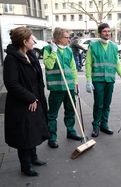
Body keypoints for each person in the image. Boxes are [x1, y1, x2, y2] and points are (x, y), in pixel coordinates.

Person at [3, 27, 49, 176]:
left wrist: (37, 97)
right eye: (31, 39)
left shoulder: (30, 54)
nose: (33, 42)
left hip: (35, 99)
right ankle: (26, 165)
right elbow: (11, 84)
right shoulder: (11, 58)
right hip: (21, 103)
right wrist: (30, 97)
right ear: (24, 41)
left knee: (33, 130)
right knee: (24, 134)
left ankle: (33, 157)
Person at [43, 27, 82, 148]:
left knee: (70, 111)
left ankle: (71, 131)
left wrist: (75, 82)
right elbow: (48, 65)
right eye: (67, 37)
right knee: (52, 114)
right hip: (56, 88)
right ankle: (52, 137)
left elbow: (73, 68)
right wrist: (54, 52)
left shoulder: (69, 50)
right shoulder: (48, 49)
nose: (69, 39)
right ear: (59, 38)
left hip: (69, 86)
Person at [85, 23, 121, 137]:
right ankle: (96, 126)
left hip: (110, 80)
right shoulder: (93, 46)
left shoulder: (114, 46)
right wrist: (88, 80)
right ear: (100, 33)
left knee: (107, 104)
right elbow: (88, 63)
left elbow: (116, 62)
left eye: (109, 31)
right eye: (104, 31)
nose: (107, 33)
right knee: (99, 104)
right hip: (97, 80)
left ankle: (104, 125)